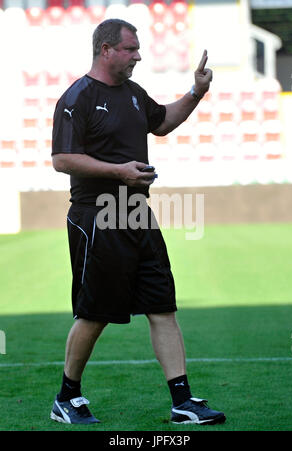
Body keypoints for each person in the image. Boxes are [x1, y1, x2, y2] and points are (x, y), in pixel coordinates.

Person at [50, 18, 225, 426]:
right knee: (94, 312)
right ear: (107, 49)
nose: (138, 56)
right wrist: (119, 172)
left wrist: (196, 92)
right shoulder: (77, 97)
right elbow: (61, 159)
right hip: (97, 213)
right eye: (130, 49)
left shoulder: (132, 94)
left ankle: (182, 401)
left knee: (162, 305)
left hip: (136, 213)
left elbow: (162, 121)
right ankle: (66, 397)